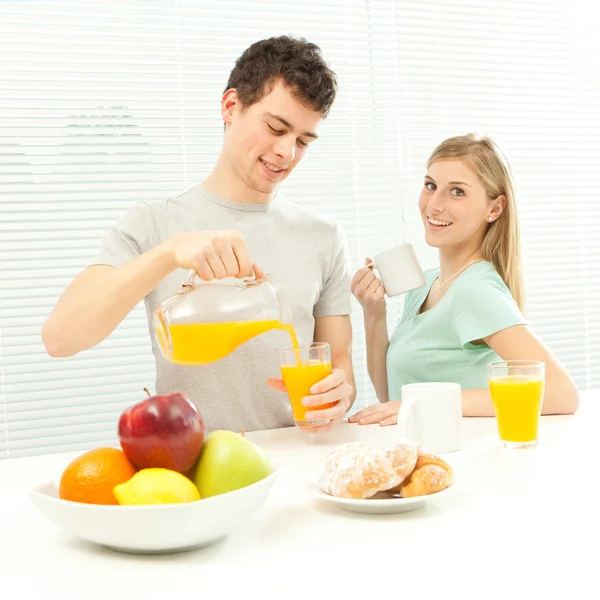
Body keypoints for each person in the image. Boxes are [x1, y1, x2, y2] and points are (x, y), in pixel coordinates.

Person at [42, 36, 355, 433]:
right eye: (276, 128)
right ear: (231, 106)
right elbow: (60, 338)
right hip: (192, 473)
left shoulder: (323, 236)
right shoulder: (155, 223)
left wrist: (339, 393)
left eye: (303, 141)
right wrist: (168, 254)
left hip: (296, 464)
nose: (287, 152)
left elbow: (338, 363)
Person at [349, 134, 578, 425]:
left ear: (494, 209)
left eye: (457, 192)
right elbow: (391, 396)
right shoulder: (426, 285)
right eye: (430, 185)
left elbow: (561, 393)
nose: (434, 204)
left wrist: (429, 401)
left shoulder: (475, 289)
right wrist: (373, 314)